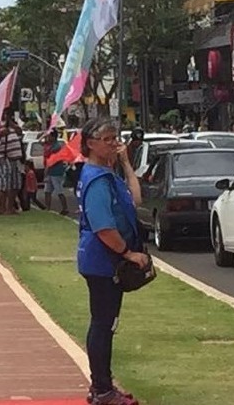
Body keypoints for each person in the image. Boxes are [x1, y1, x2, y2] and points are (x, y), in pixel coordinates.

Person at [75, 116, 147, 405]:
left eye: (115, 138)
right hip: (103, 262)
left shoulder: (107, 175)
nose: (114, 143)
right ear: (90, 144)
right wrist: (128, 253)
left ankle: (103, 387)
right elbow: (103, 227)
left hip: (105, 261)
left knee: (107, 323)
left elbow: (136, 199)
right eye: (107, 139)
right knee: (103, 324)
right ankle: (102, 389)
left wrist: (127, 164)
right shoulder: (95, 180)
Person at [43, 130, 70, 215]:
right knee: (47, 191)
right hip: (51, 171)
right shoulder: (52, 145)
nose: (48, 138)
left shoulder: (56, 146)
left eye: (49, 136)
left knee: (59, 191)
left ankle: (65, 208)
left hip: (56, 171)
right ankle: (47, 208)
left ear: (53, 137)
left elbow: (49, 155)